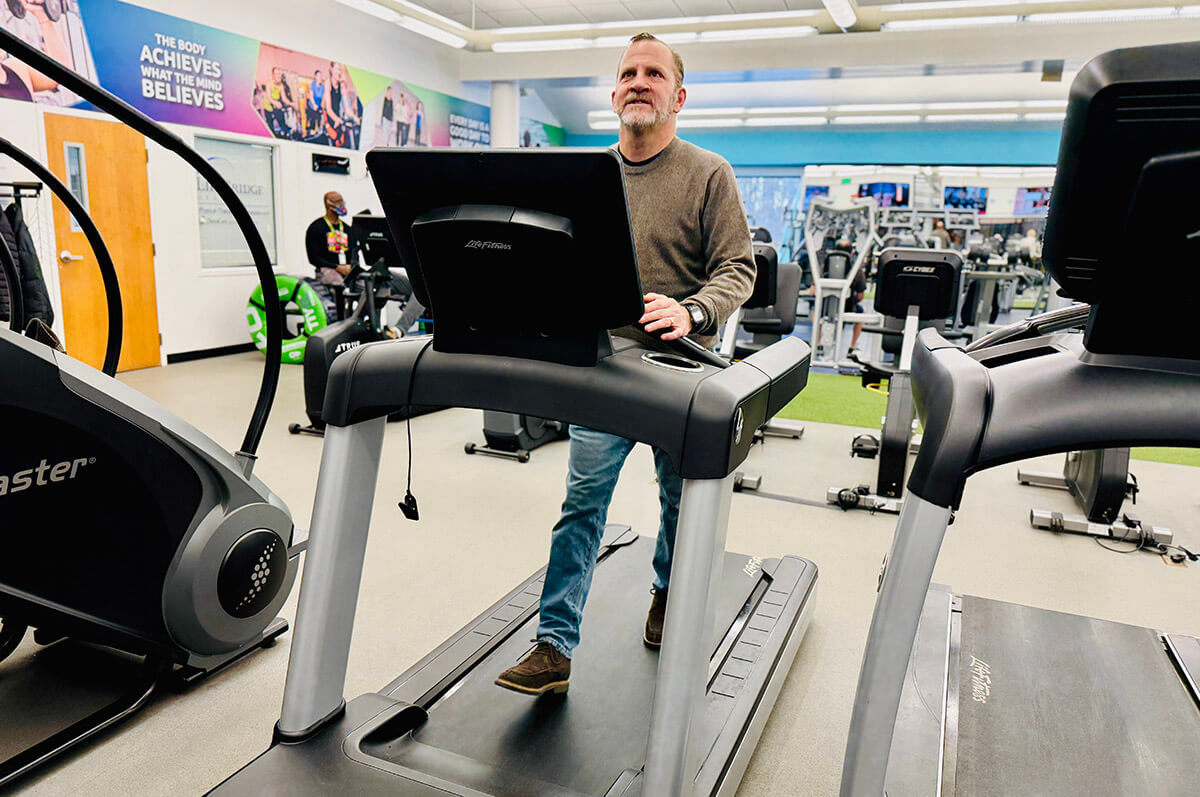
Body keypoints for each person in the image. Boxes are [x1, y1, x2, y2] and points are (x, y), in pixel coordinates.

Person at [495, 32, 755, 696]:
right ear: (614, 95)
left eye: (654, 73)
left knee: (677, 499)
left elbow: (739, 269)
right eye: (628, 74)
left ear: (678, 95)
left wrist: (692, 311)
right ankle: (554, 643)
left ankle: (667, 591)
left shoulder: (708, 172)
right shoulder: (587, 176)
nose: (640, 82)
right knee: (581, 502)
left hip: (681, 369)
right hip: (605, 364)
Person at [305, 191, 355, 285]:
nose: (341, 205)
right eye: (337, 202)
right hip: (327, 269)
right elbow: (313, 258)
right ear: (328, 204)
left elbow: (354, 252)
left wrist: (351, 266)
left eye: (342, 201)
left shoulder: (347, 229)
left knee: (365, 283)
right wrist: (337, 267)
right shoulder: (316, 228)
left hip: (347, 268)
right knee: (337, 283)